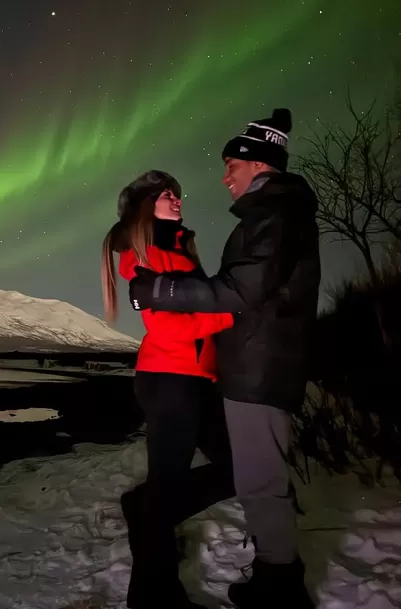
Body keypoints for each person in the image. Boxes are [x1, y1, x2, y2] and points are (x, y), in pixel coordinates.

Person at [128, 109, 321, 609]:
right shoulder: (151, 246)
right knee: (243, 478)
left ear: (256, 164)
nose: (222, 177)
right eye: (164, 194)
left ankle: (276, 583)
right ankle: (157, 565)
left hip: (248, 371)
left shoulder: (274, 215)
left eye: (230, 165)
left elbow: (238, 292)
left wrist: (167, 292)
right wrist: (171, 296)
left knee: (253, 478)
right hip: (186, 374)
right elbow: (192, 313)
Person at [101, 170, 237, 609]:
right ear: (145, 205)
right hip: (169, 379)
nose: (177, 199)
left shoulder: (178, 248)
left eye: (178, 194)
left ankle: (147, 507)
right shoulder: (146, 254)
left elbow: (196, 310)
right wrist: (228, 311)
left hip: (195, 378)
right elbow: (170, 327)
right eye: (165, 195)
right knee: (175, 484)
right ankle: (153, 596)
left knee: (240, 469)